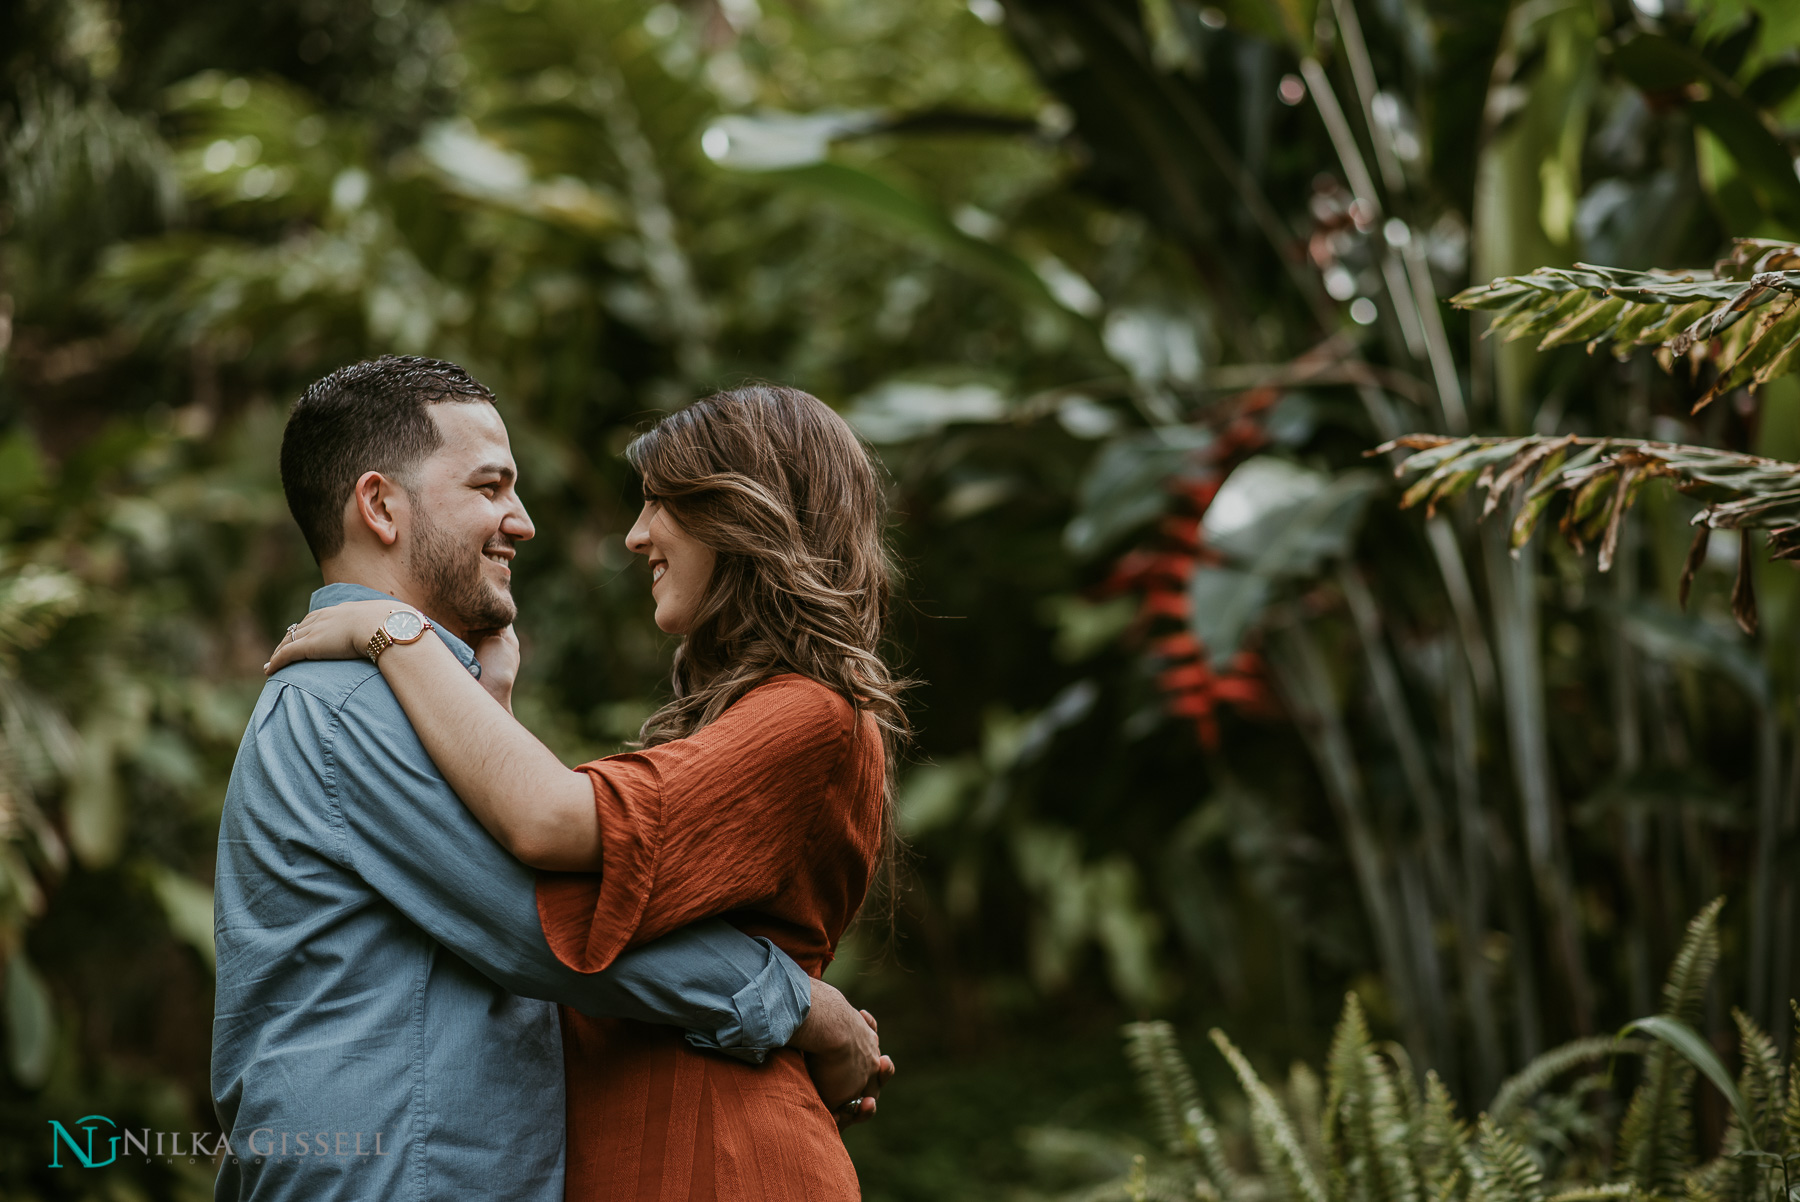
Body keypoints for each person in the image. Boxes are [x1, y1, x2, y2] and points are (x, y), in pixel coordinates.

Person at [218, 358, 886, 1202]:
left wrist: (466, 687)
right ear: (381, 506)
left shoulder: (406, 693)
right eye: (492, 486)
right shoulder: (357, 701)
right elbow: (539, 924)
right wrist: (801, 1006)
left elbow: (556, 874)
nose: (522, 522)